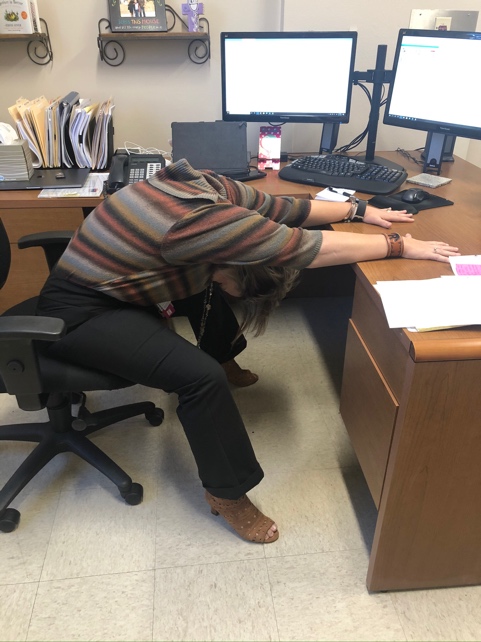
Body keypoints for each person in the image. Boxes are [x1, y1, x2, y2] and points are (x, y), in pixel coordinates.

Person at [36, 158, 460, 544]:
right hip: (80, 313)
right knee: (200, 378)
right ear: (235, 254)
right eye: (233, 282)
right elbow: (305, 249)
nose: (231, 293)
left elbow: (287, 209)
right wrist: (400, 246)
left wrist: (360, 210)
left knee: (206, 282)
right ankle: (227, 494)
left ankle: (223, 355)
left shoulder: (209, 186)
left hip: (116, 281)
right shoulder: (197, 225)